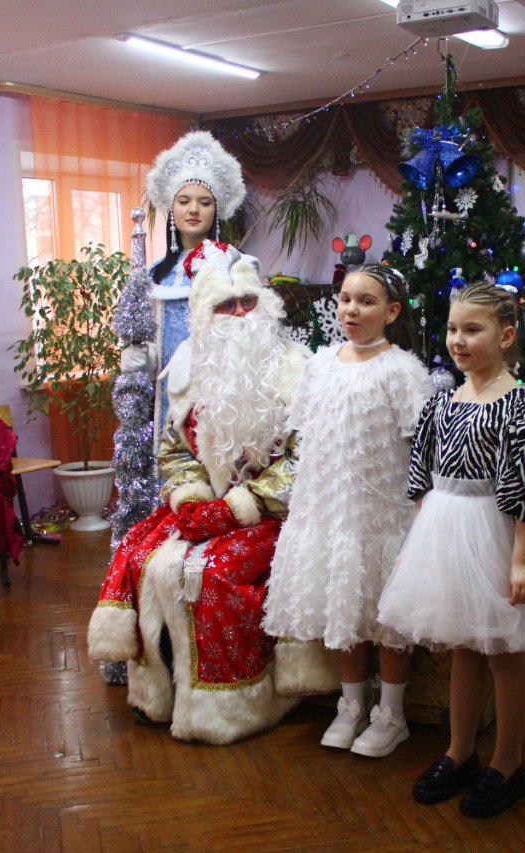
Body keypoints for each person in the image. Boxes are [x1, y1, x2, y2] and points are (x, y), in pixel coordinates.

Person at [87, 241, 336, 744]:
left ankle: (230, 706)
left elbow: (309, 456)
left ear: (265, 304)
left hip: (276, 511)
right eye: (227, 305)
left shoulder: (300, 367)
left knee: (213, 572)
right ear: (206, 314)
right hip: (208, 504)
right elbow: (173, 448)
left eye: (248, 301)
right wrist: (191, 498)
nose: (241, 313)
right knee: (143, 556)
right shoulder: (187, 369)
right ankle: (160, 697)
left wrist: (243, 506)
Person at [378, 281, 525, 818]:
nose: (458, 340)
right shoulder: (443, 403)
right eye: (452, 329)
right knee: (465, 646)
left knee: (503, 651)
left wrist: (522, 560)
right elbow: (422, 476)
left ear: (505, 337)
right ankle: (460, 752)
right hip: (446, 534)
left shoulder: (521, 408)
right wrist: (418, 543)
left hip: (497, 536)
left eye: (472, 330)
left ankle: (508, 763)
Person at [264, 264, 432, 758]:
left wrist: (419, 515)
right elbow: (305, 435)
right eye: (345, 299)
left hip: (381, 513)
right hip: (330, 508)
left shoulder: (401, 370)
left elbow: (420, 447)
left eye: (366, 301)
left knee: (387, 617)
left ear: (391, 312)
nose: (352, 310)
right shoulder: (320, 364)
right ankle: (351, 704)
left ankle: (392, 714)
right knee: (347, 609)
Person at [119, 130, 246, 434]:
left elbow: (247, 334)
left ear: (215, 210)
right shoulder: (155, 275)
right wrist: (142, 358)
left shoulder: (234, 265)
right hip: (167, 400)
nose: (193, 210)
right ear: (172, 209)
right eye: (184, 201)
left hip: (218, 394)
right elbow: (155, 351)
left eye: (204, 202)